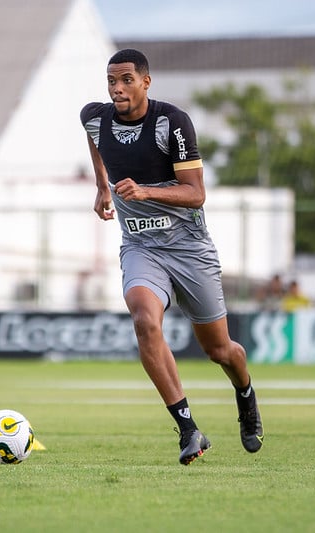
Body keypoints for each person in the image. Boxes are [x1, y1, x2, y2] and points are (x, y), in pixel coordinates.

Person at [80, 49, 263, 465]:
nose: (117, 88)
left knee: (220, 351)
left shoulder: (171, 122)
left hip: (188, 246)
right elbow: (95, 139)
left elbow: (196, 193)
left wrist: (145, 191)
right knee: (144, 319)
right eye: (111, 80)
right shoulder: (94, 116)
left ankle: (246, 394)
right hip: (141, 246)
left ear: (146, 81)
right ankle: (188, 429)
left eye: (126, 79)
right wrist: (102, 185)